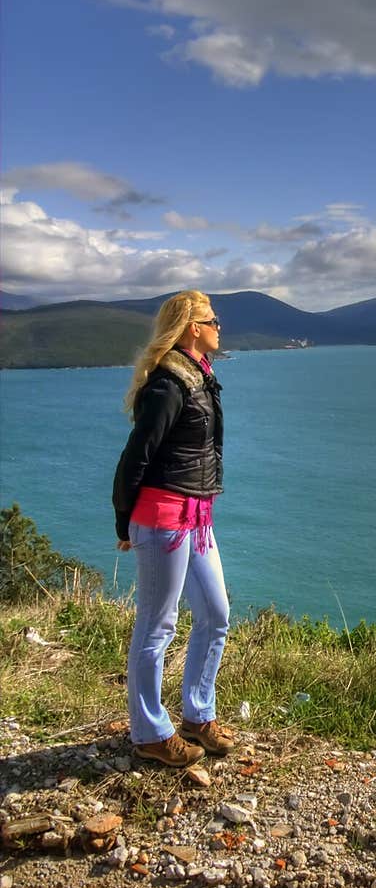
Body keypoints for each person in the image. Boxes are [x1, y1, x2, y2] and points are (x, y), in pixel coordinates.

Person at [113, 290, 235, 767]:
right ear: (192, 329)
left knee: (216, 614)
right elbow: (134, 458)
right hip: (162, 517)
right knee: (157, 626)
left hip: (196, 516)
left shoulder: (200, 377)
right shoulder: (169, 385)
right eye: (212, 319)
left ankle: (197, 716)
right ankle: (148, 731)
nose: (219, 326)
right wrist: (124, 521)